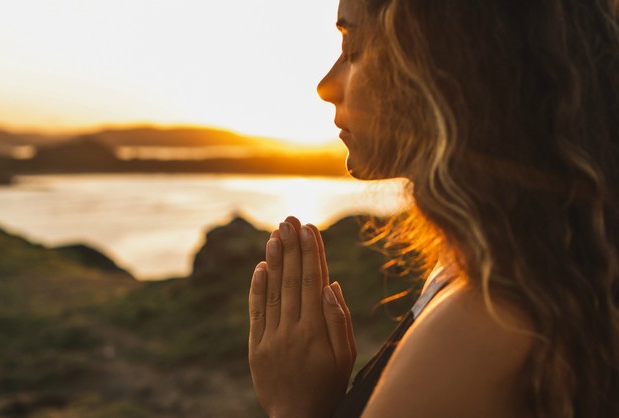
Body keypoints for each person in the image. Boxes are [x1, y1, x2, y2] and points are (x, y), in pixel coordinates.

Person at [247, 0, 619, 417]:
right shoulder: (534, 277)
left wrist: (295, 407)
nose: (326, 85)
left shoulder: (478, 331)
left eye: (353, 49)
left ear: (445, 63)